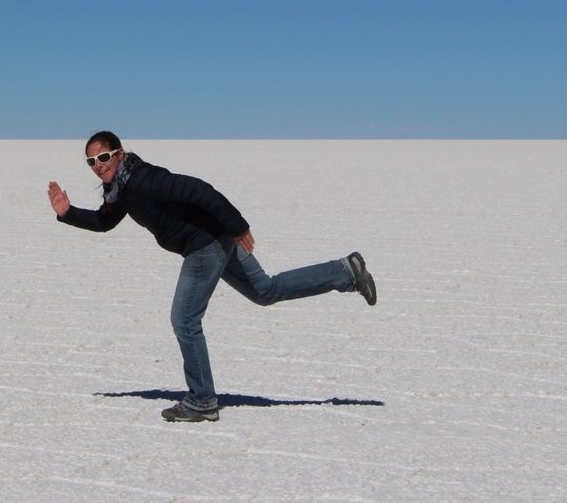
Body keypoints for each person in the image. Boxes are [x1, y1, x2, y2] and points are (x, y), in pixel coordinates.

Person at [47, 131, 376, 423]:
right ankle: (345, 271)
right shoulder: (121, 189)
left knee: (184, 320)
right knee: (266, 290)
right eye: (91, 161)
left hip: (205, 244)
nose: (98, 164)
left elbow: (198, 189)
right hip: (214, 239)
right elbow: (105, 222)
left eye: (103, 157)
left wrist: (238, 225)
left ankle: (202, 401)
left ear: (119, 154)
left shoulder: (144, 180)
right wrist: (67, 213)